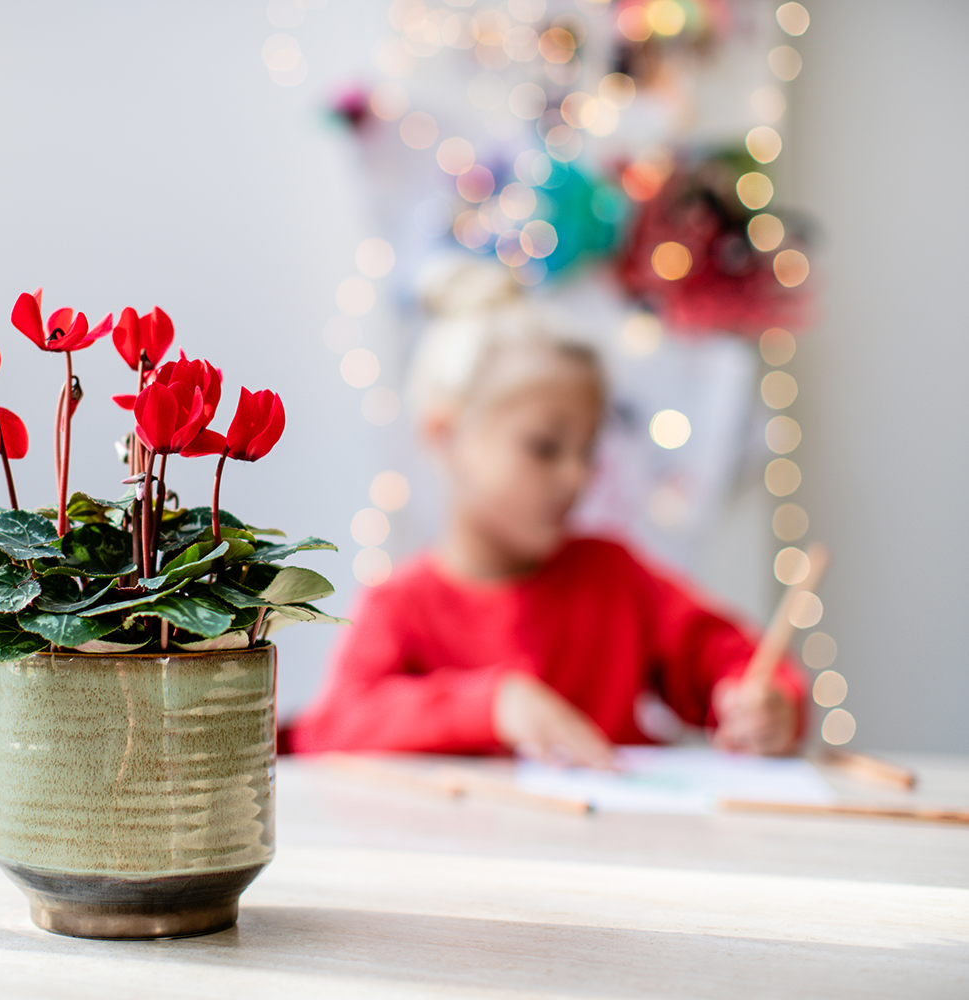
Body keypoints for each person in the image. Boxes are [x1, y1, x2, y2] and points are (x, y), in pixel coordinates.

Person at [290, 288, 804, 766]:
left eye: (587, 450)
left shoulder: (615, 578)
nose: (576, 476)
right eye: (545, 447)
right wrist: (491, 705)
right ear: (445, 436)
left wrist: (765, 705)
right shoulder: (401, 606)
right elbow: (328, 731)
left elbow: (739, 662)